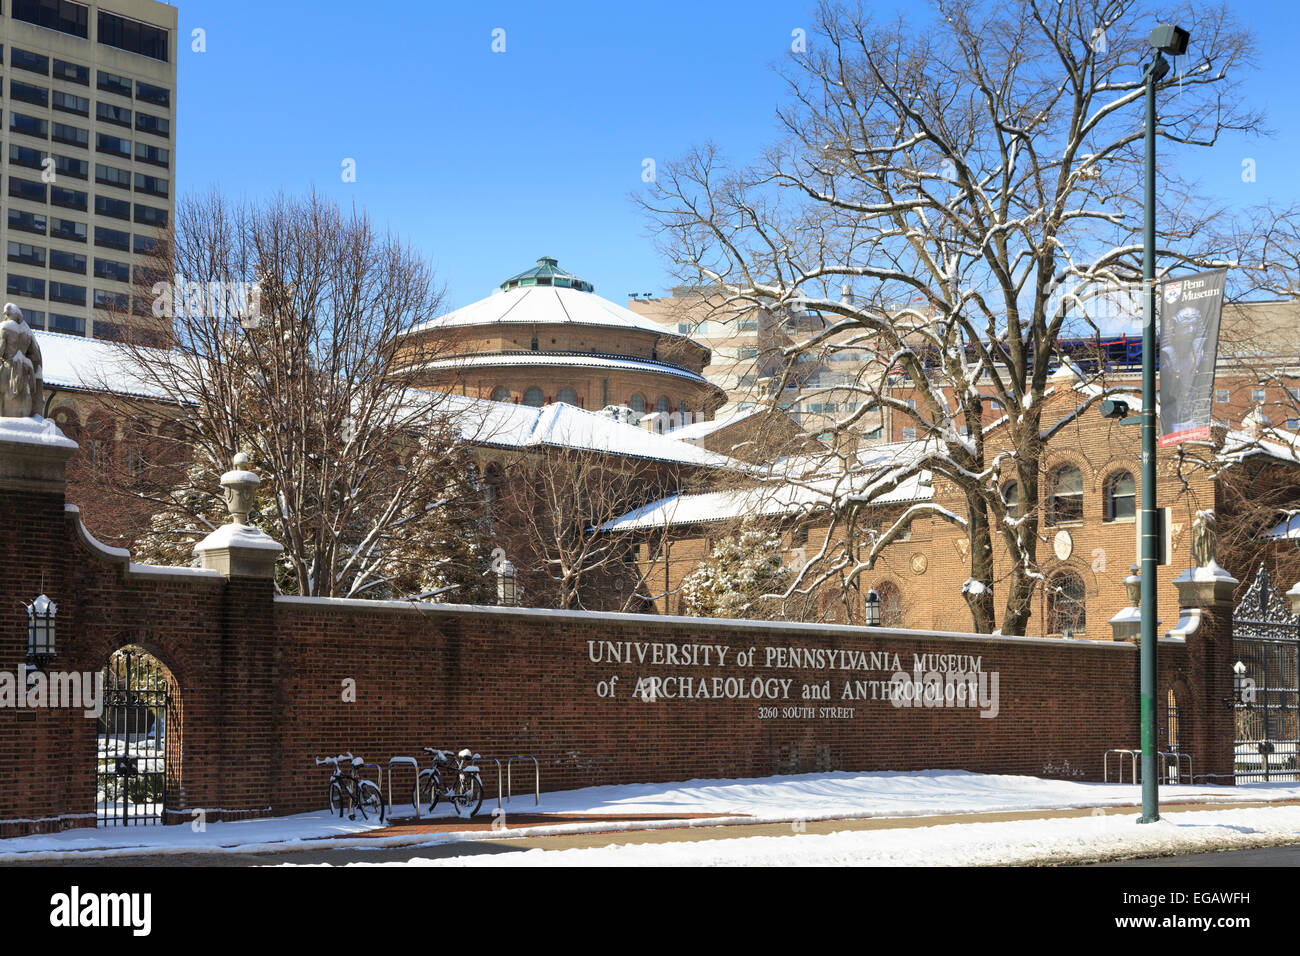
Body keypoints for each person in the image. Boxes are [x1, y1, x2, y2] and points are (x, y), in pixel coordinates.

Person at [0, 303, 43, 418]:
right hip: (24, 369)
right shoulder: (27, 331)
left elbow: (0, 349)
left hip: (8, 366)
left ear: (8, 314)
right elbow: (36, 356)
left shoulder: (4, 327)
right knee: (25, 395)